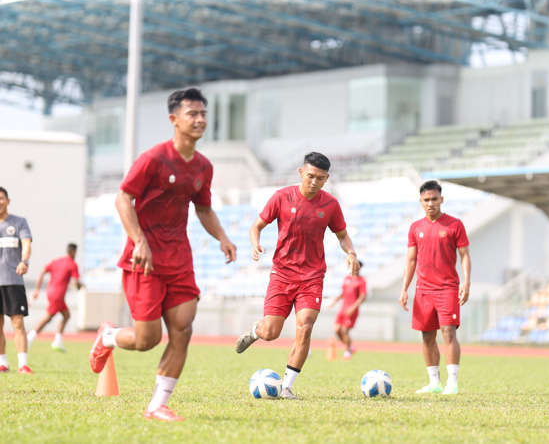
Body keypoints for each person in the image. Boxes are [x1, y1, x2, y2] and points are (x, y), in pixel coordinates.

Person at [88, 88, 237, 421]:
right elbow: (123, 198)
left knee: (183, 329)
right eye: (192, 114)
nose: (200, 120)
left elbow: (204, 208)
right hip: (145, 260)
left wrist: (223, 238)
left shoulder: (203, 167)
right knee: (147, 340)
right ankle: (108, 336)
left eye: (203, 114)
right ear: (174, 119)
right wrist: (139, 241)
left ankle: (157, 405)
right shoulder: (154, 159)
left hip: (180, 259)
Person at [235, 152, 360, 400]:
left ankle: (287, 387)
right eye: (311, 176)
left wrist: (352, 253)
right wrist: (255, 243)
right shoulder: (282, 197)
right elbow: (256, 226)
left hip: (312, 277)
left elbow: (342, 234)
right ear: (301, 173)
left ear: (327, 179)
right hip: (281, 274)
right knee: (271, 332)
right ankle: (255, 331)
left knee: (305, 326)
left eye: (320, 178)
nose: (314, 182)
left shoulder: (331, 205)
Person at [399, 180, 471, 395]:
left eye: (434, 199)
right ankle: (434, 383)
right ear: (421, 201)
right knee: (427, 336)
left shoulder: (455, 225)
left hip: (448, 288)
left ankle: (453, 383)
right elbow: (411, 260)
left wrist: (466, 282)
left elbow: (465, 255)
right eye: (426, 200)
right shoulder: (415, 227)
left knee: (448, 332)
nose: (431, 203)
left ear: (441, 199)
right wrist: (405, 288)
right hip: (423, 290)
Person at [0, 186, 33, 374]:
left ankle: (23, 364)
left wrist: (24, 261)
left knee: (18, 322)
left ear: (8, 201)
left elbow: (27, 243)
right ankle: (2, 363)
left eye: (1, 198)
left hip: (13, 280)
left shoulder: (19, 222)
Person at [27, 243, 83, 351]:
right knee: (48, 317)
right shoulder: (72, 264)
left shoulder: (57, 261)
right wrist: (81, 286)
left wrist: (37, 289)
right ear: (73, 252)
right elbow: (76, 282)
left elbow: (43, 271)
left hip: (51, 292)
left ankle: (58, 341)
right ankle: (30, 337)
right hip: (58, 294)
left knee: (66, 315)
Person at [328, 260, 367, 360]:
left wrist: (353, 308)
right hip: (343, 308)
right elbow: (343, 293)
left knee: (345, 331)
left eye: (357, 266)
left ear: (360, 268)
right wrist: (334, 301)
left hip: (352, 310)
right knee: (337, 330)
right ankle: (350, 347)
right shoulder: (347, 278)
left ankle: (348, 351)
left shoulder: (361, 281)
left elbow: (362, 297)